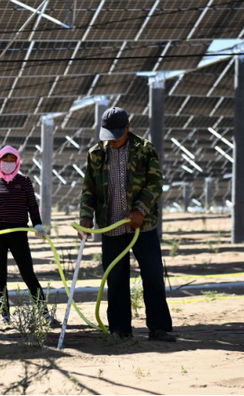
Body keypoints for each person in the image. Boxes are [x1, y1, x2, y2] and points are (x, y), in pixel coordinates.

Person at [79, 107, 175, 342]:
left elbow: (155, 182)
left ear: (128, 128)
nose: (112, 140)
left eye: (117, 134)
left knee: (152, 274)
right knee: (116, 278)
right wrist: (85, 217)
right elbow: (88, 189)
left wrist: (140, 209)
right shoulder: (95, 154)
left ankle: (158, 327)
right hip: (111, 226)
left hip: (143, 227)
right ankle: (120, 329)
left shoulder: (145, 150)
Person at [0, 145, 54, 325]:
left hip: (18, 232)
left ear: (17, 162)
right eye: (5, 160)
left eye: (12, 160)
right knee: (0, 276)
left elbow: (32, 205)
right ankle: (5, 316)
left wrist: (38, 224)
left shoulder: (24, 181)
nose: (8, 163)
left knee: (28, 273)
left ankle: (44, 313)